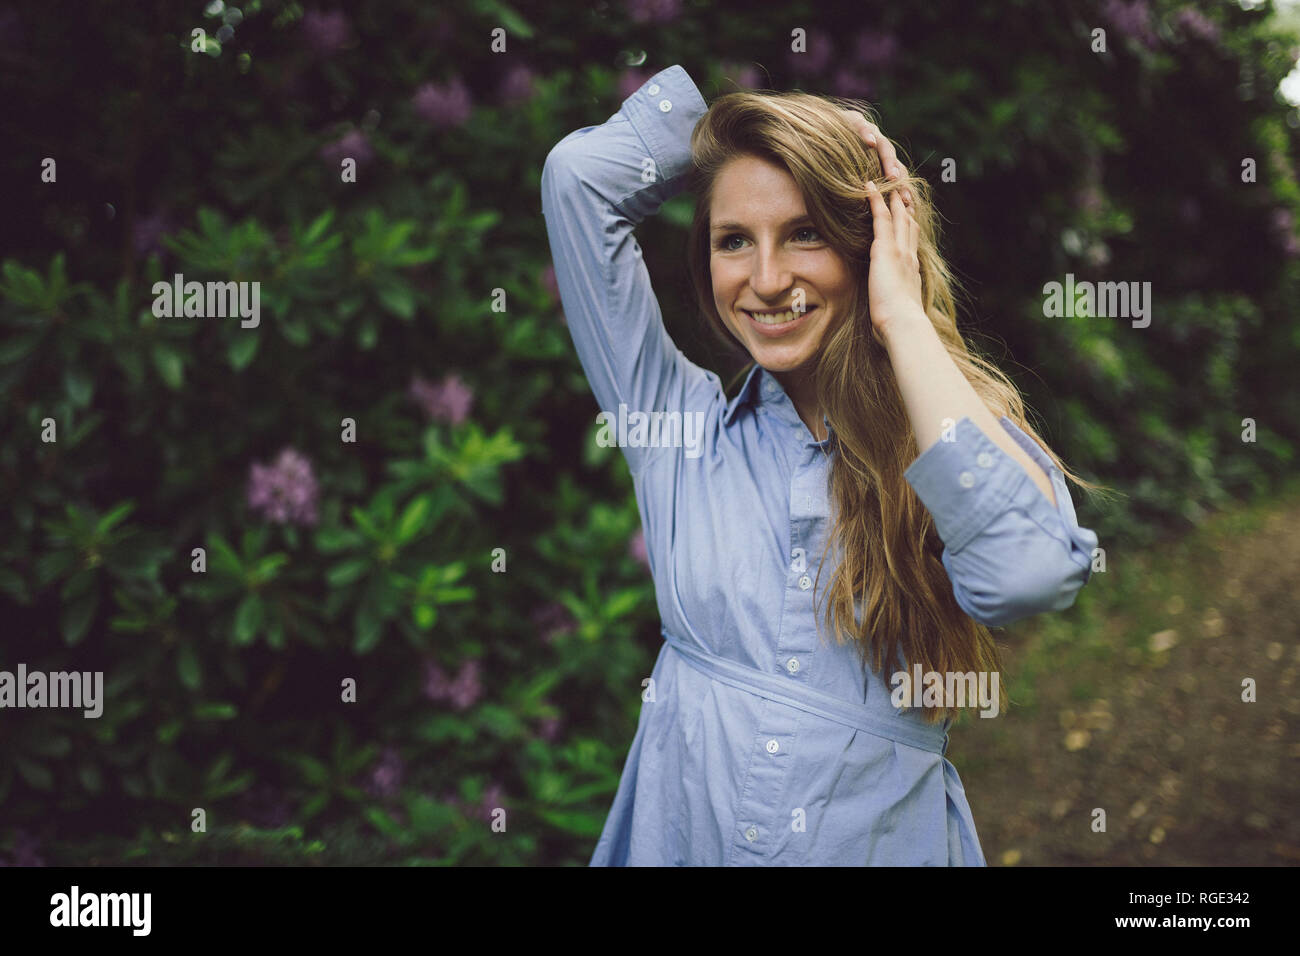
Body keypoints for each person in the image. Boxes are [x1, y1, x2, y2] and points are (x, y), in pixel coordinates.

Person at [539, 64, 1101, 865]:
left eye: (804, 233)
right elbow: (577, 181)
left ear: (867, 247)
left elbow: (1031, 576)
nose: (766, 281)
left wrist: (902, 319)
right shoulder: (676, 426)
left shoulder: (947, 425)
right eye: (735, 240)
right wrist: (709, 131)